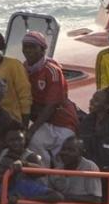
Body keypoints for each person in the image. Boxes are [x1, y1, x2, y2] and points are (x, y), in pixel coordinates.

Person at [22, 31, 79, 161]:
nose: (28, 50)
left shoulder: (52, 71)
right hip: (44, 122)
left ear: (42, 50)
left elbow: (51, 106)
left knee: (62, 157)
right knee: (33, 144)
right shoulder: (24, 69)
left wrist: (31, 130)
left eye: (32, 47)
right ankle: (42, 170)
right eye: (25, 46)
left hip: (62, 123)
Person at [43, 136, 104, 204]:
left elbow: (96, 199)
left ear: (80, 153)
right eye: (63, 149)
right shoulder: (57, 170)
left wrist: (64, 197)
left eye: (71, 150)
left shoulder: (90, 167)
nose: (65, 153)